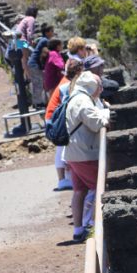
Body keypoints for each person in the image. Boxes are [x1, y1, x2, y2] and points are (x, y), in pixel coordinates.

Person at [64, 71, 110, 242]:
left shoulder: (73, 98)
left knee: (79, 191)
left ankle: (78, 230)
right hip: (85, 153)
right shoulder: (83, 101)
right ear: (92, 86)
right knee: (101, 188)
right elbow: (97, 123)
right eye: (99, 86)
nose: (101, 89)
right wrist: (107, 115)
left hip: (72, 153)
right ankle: (97, 228)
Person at [46, 60, 84, 191]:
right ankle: (63, 180)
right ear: (78, 72)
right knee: (62, 148)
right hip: (55, 119)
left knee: (62, 148)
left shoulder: (65, 81)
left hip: (53, 118)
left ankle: (65, 179)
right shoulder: (67, 85)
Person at [27, 22, 55, 107]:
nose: (53, 33)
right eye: (51, 31)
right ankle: (38, 103)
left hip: (34, 64)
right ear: (47, 32)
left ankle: (38, 102)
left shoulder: (42, 39)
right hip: (34, 65)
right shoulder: (45, 40)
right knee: (38, 83)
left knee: (39, 83)